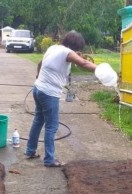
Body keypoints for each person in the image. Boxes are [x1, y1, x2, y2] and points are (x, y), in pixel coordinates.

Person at [25, 30, 97, 167]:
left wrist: (38, 77)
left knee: (38, 120)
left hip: (38, 89)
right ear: (75, 46)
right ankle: (49, 160)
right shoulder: (67, 53)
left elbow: (40, 63)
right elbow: (84, 64)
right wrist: (101, 69)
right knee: (51, 127)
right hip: (49, 94)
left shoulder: (53, 48)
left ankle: (30, 151)